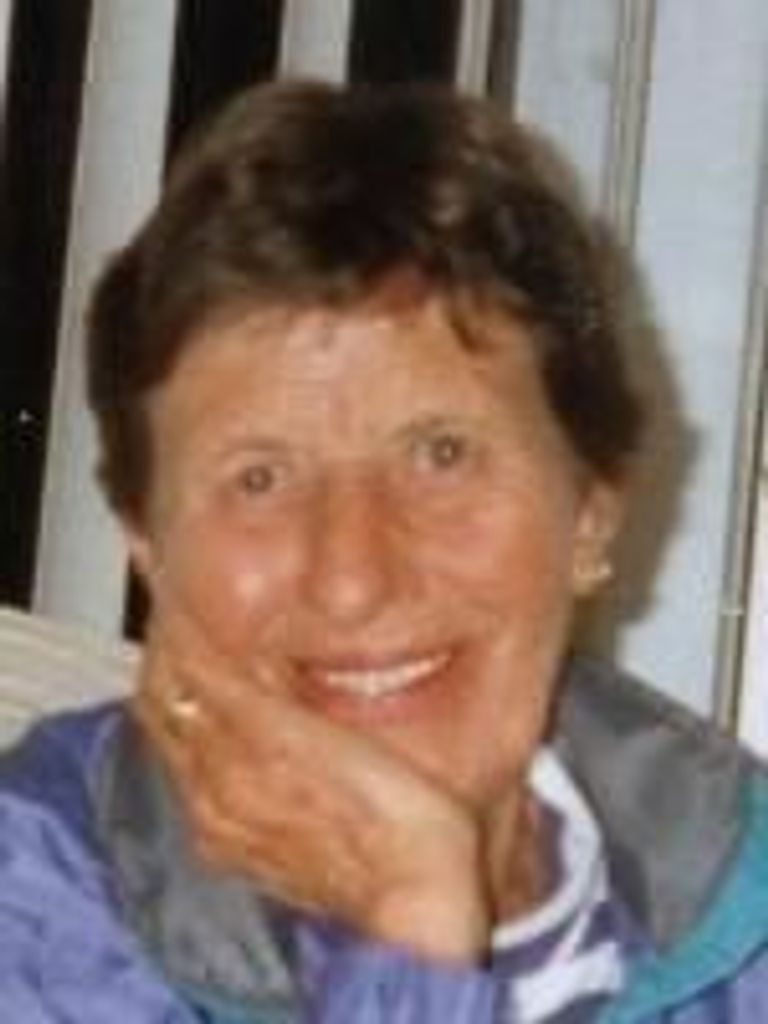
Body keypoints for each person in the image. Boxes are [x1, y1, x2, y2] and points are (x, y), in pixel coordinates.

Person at [1, 80, 766, 1024]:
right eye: (259, 479)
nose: (352, 577)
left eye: (441, 455)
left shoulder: (745, 930)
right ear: (146, 546)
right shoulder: (30, 916)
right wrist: (408, 932)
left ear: (592, 515)